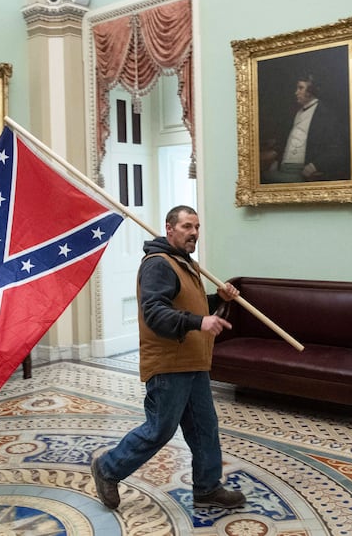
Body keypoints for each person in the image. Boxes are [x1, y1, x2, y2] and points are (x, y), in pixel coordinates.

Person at [91, 205, 246, 510]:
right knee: (159, 429)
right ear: (170, 228)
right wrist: (199, 322)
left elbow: (186, 305)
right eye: (187, 226)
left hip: (193, 361)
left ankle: (207, 488)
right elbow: (156, 313)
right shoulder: (158, 264)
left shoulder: (184, 263)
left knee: (204, 427)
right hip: (169, 364)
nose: (194, 233)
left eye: (197, 227)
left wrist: (217, 299)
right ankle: (108, 468)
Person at [260, 73, 349, 184]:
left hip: (302, 172)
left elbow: (337, 150)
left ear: (312, 90)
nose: (296, 92)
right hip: (283, 168)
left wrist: (314, 166)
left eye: (301, 88)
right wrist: (277, 162)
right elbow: (288, 141)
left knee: (265, 178)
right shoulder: (296, 112)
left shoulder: (325, 114)